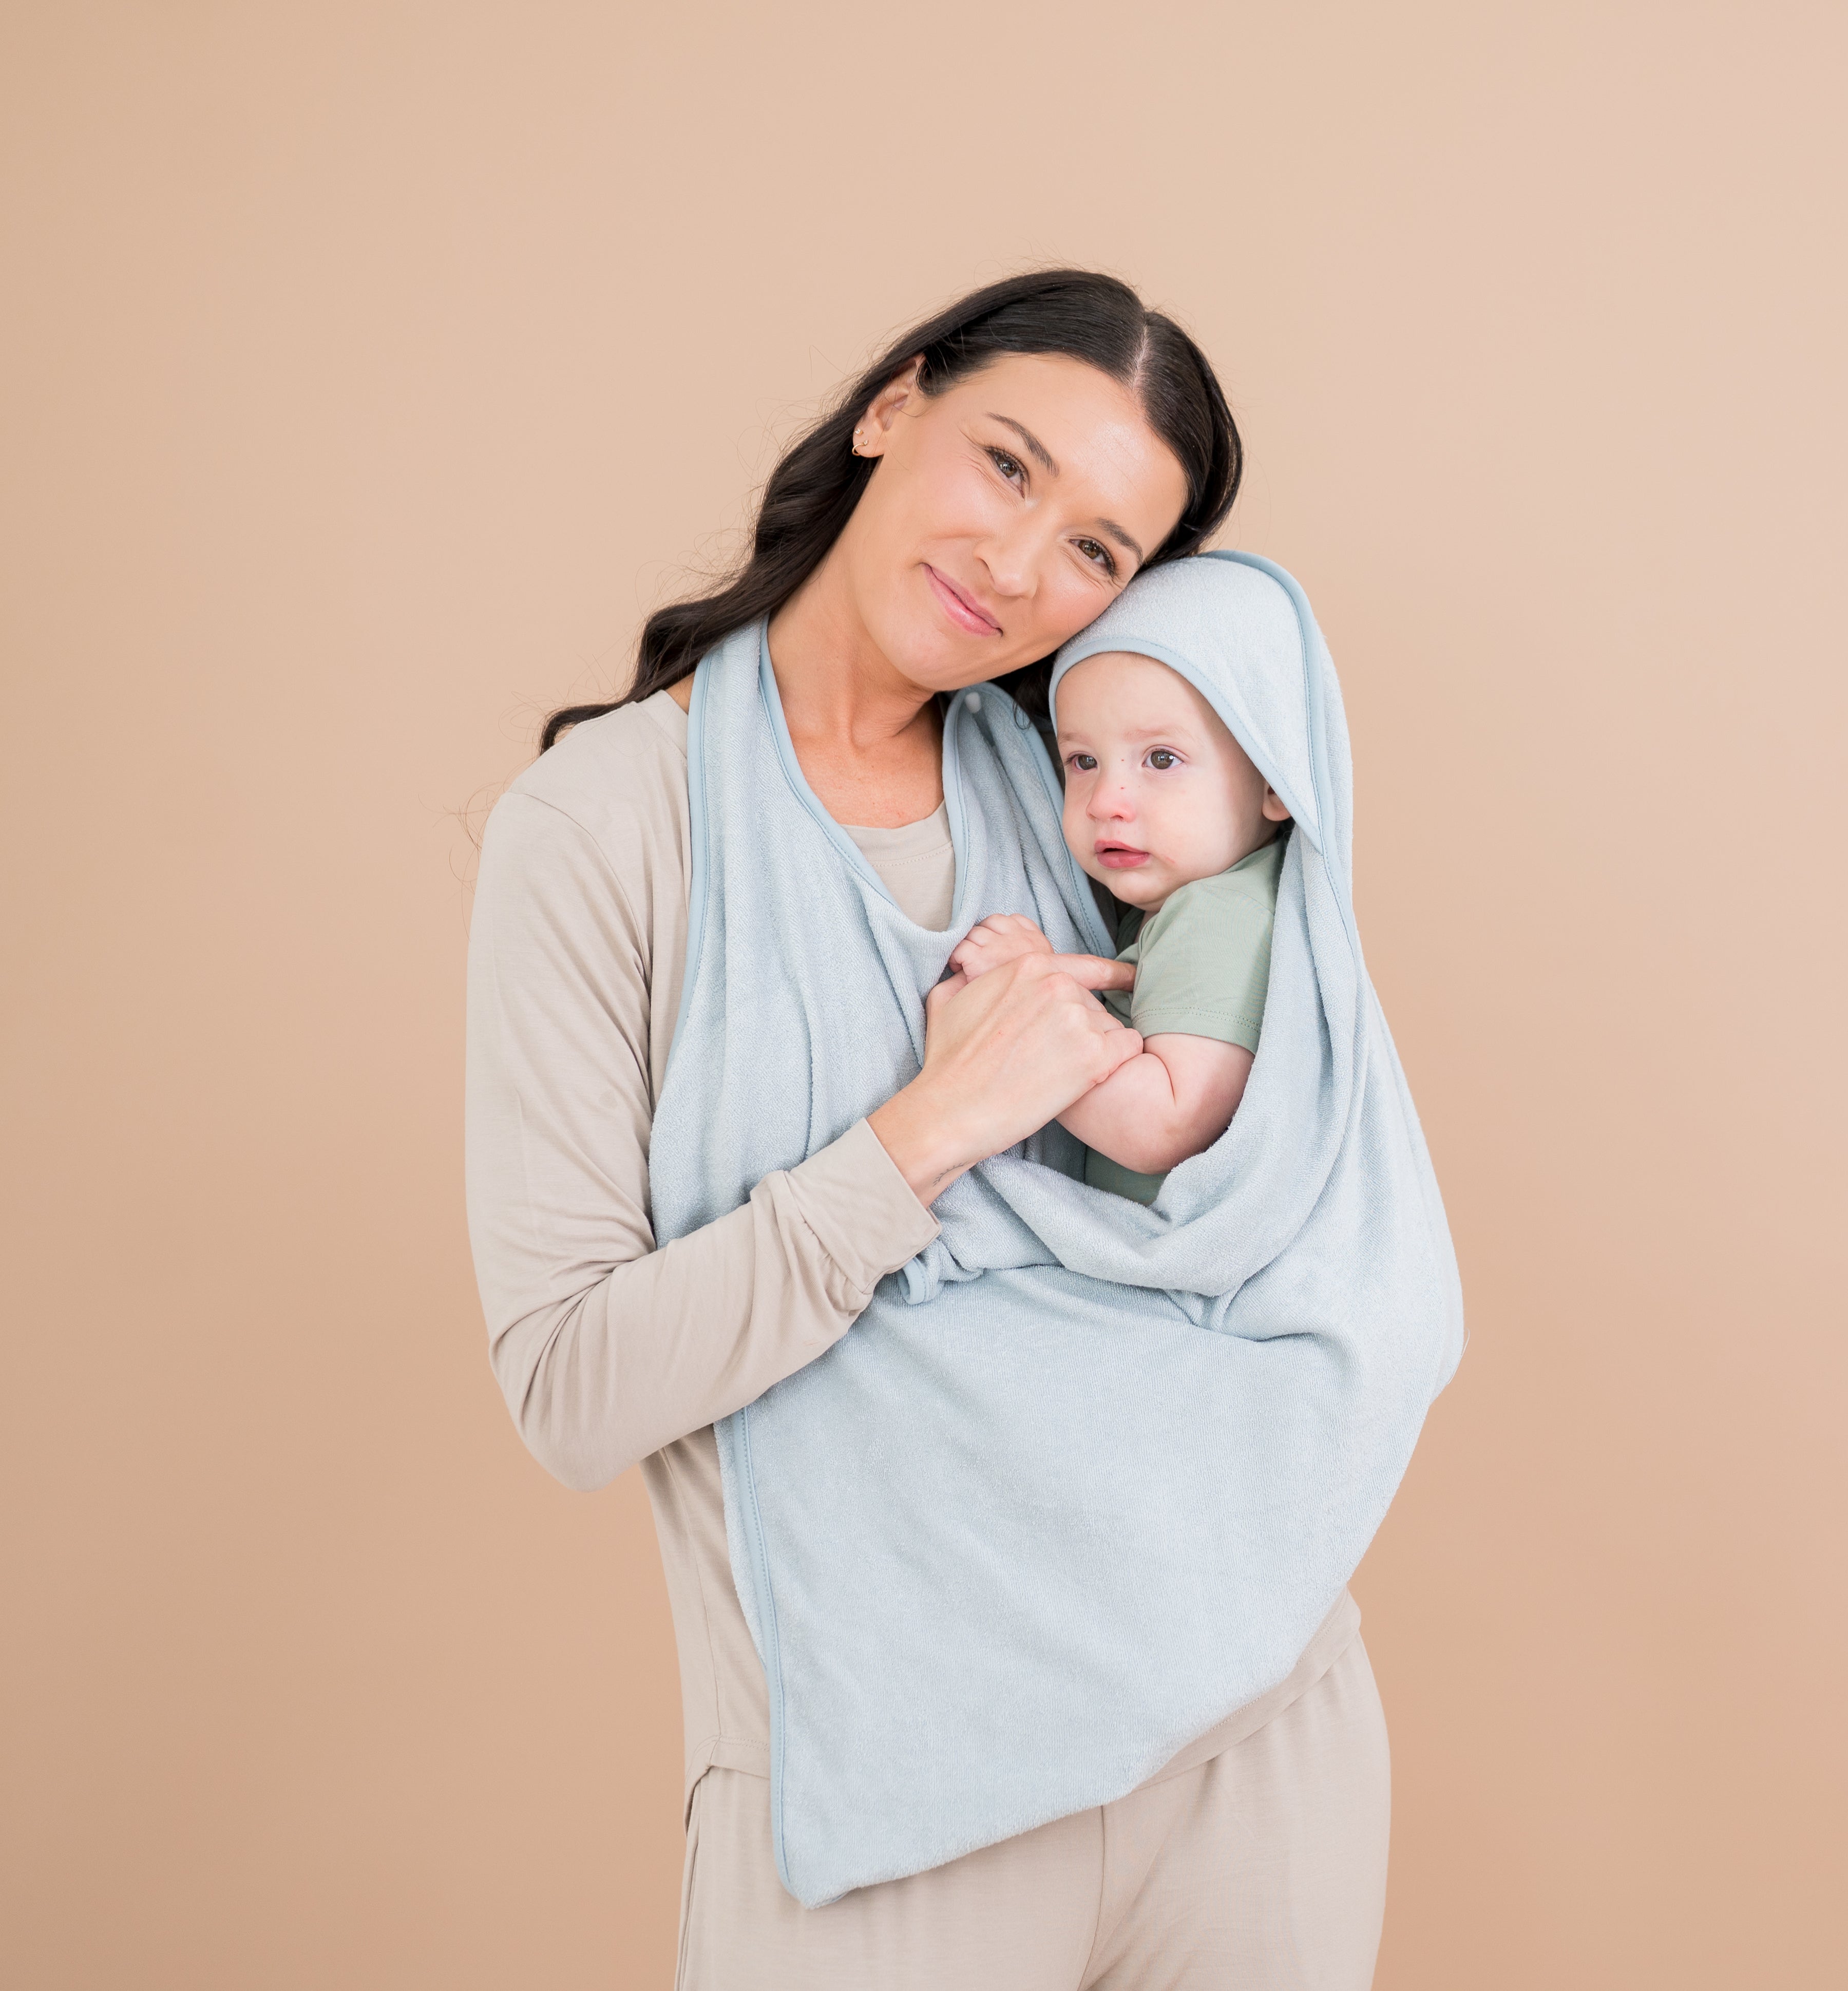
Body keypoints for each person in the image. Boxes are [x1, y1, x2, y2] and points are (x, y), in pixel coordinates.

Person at [465, 271, 1391, 1988]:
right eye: (1005, 463)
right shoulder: (606, 830)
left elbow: (1277, 1158)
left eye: (1101, 551)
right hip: (879, 1803)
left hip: (1247, 1740)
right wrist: (927, 1129)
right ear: (893, 404)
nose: (1021, 563)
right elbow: (572, 1389)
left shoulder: (1099, 778)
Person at [946, 644, 1291, 1203]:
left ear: (1273, 779)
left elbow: (1163, 1125)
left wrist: (1030, 992)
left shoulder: (1218, 914)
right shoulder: (1204, 900)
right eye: (1083, 762)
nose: (1106, 801)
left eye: (1161, 759)